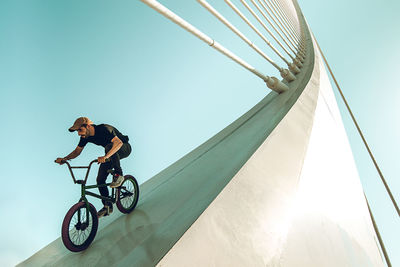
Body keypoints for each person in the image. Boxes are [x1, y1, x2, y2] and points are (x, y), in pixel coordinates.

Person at [56, 117, 132, 218]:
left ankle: (119, 175)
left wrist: (105, 157)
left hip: (124, 148)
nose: (79, 134)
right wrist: (65, 159)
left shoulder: (104, 129)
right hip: (110, 154)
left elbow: (118, 143)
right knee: (100, 179)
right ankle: (107, 205)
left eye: (80, 130)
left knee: (109, 147)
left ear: (88, 126)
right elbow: (77, 151)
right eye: (77, 131)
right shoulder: (85, 137)